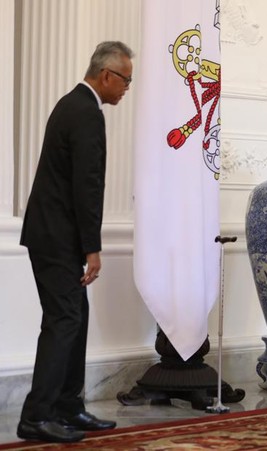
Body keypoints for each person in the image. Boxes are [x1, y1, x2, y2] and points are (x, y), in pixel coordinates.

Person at [18, 41, 134, 443]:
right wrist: (92, 248)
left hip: (53, 233)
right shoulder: (85, 113)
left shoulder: (76, 105)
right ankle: (36, 416)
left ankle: (68, 407)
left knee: (74, 319)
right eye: (125, 81)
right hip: (57, 237)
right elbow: (87, 188)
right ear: (106, 75)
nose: (126, 88)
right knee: (63, 322)